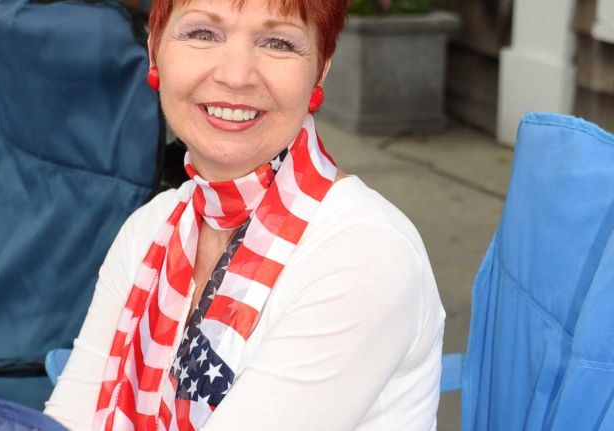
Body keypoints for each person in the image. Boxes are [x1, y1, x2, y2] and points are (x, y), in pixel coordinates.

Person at [44, 0, 445, 429]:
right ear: (155, 46)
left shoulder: (365, 255)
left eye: (277, 42)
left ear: (321, 67)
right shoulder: (152, 228)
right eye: (202, 34)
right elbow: (69, 418)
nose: (235, 76)